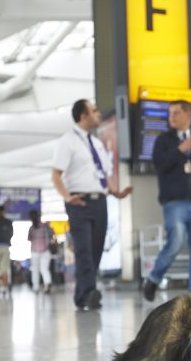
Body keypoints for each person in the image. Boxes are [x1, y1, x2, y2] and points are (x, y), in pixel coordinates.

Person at [51, 99, 132, 311]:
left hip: (100, 202)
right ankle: (89, 293)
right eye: (94, 111)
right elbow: (56, 175)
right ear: (83, 116)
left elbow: (105, 174)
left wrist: (116, 192)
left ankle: (82, 296)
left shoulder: (97, 144)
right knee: (84, 250)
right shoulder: (67, 141)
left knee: (96, 251)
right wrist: (68, 197)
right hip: (79, 202)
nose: (98, 114)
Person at [143, 100, 191, 301]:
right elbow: (160, 165)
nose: (172, 117)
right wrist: (180, 150)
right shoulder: (164, 140)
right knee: (175, 241)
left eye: (176, 113)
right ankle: (153, 279)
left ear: (188, 115)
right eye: (170, 113)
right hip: (174, 203)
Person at [27, 209, 54, 293]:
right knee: (44, 269)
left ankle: (36, 287)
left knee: (35, 270)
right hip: (45, 251)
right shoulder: (45, 226)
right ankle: (47, 283)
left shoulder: (31, 228)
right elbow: (52, 234)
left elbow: (29, 239)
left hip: (35, 251)